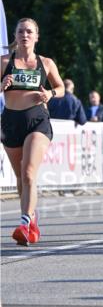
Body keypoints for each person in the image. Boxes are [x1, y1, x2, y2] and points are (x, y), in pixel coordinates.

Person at [1, 17, 65, 245]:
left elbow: (61, 87)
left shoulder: (45, 63)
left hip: (37, 120)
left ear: (36, 37)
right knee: (20, 177)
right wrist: (1, 85)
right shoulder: (4, 61)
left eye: (29, 32)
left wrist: (50, 94)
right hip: (10, 122)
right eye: (21, 31)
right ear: (15, 35)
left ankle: (25, 222)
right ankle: (32, 219)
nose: (25, 35)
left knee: (28, 172)